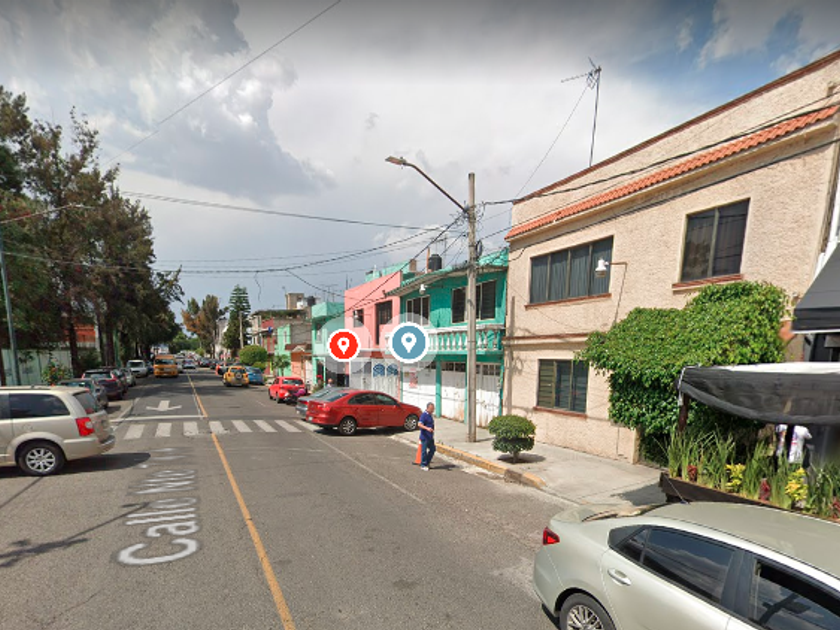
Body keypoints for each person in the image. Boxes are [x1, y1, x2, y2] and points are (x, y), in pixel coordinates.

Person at [418, 402, 436, 471]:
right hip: (425, 437)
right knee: (424, 451)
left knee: (433, 449)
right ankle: (423, 464)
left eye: (433, 409)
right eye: (432, 409)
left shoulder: (430, 415)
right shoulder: (424, 415)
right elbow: (419, 424)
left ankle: (427, 462)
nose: (433, 410)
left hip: (430, 437)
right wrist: (427, 428)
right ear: (428, 408)